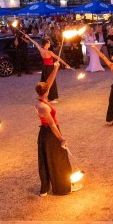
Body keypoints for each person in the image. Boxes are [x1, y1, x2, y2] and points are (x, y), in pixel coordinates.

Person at [34, 60, 81, 195]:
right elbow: (52, 125)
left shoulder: (40, 98)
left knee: (47, 159)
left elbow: (48, 82)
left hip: (45, 133)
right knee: (59, 159)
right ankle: (63, 188)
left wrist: (55, 68)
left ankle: (47, 188)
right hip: (50, 134)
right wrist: (61, 139)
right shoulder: (43, 107)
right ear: (47, 92)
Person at [25, 37, 68, 103]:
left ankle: (44, 97)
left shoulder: (41, 50)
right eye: (49, 43)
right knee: (51, 83)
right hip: (50, 68)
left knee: (44, 83)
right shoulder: (49, 52)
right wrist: (66, 64)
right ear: (46, 44)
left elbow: (35, 43)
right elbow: (58, 58)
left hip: (44, 68)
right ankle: (51, 99)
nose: (50, 44)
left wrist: (28, 37)